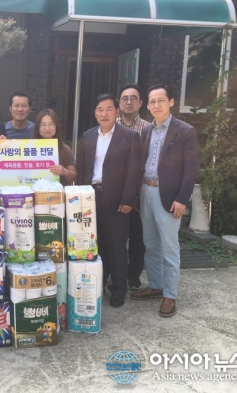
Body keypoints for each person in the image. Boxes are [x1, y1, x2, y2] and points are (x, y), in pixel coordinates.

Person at [131, 84, 198, 318]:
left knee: (169, 248)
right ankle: (156, 285)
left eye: (161, 100)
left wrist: (182, 199)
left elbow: (191, 169)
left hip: (169, 197)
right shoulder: (146, 131)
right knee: (150, 243)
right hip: (146, 191)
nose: (156, 105)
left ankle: (170, 295)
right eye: (152, 101)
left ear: (171, 102)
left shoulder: (185, 131)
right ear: (148, 106)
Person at [77, 94, 141, 308]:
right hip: (91, 197)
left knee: (116, 246)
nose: (104, 114)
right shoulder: (88, 135)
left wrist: (128, 199)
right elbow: (83, 168)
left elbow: (133, 171)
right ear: (95, 113)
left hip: (117, 199)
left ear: (116, 112)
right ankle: (99, 283)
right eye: (99, 109)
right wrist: (80, 197)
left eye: (108, 109)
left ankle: (118, 288)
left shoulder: (129, 136)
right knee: (95, 243)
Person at [116, 83, 151, 292]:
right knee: (115, 236)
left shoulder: (148, 129)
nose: (128, 102)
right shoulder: (110, 125)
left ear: (140, 103)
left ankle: (134, 274)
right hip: (114, 189)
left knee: (138, 235)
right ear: (119, 103)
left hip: (139, 191)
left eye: (133, 98)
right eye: (124, 98)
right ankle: (114, 272)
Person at [32, 108, 77, 186]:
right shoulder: (29, 149)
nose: (47, 128)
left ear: (56, 126)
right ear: (37, 127)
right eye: (43, 125)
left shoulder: (64, 149)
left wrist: (64, 171)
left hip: (58, 192)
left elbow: (74, 176)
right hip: (34, 191)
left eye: (51, 124)